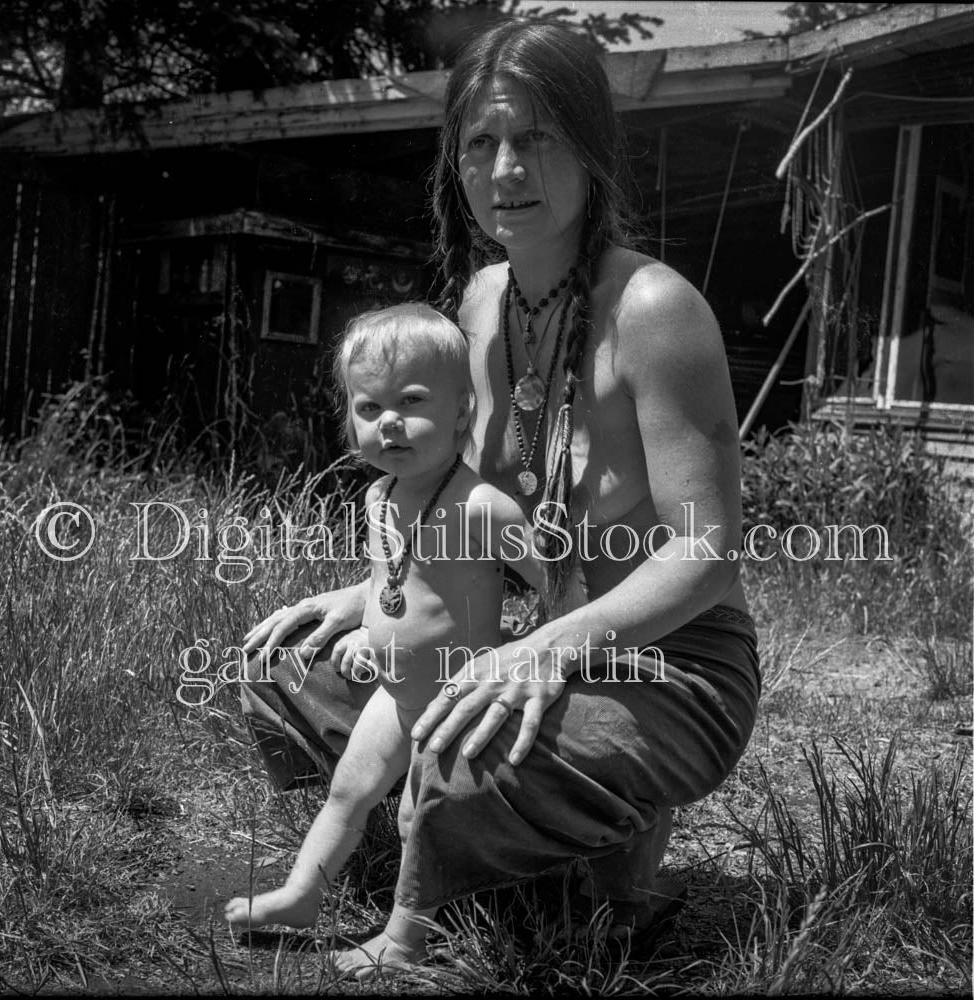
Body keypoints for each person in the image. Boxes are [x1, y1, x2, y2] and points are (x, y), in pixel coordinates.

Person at [238, 20, 759, 978]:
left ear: (591, 147)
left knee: (458, 761)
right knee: (282, 667)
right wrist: (368, 598)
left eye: (538, 137)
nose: (507, 166)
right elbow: (458, 500)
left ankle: (517, 848)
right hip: (520, 645)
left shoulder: (655, 310)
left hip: (672, 662)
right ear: (457, 163)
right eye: (481, 142)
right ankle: (521, 849)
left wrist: (547, 648)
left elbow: (705, 553)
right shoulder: (480, 303)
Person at [226, 303, 553, 946]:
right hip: (396, 695)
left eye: (411, 400)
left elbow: (558, 587)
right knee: (348, 793)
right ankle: (300, 895)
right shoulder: (379, 498)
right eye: (369, 408)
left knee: (415, 815)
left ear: (462, 412)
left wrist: (538, 652)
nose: (390, 423)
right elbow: (390, 586)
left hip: (457, 698)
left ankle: (407, 936)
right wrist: (365, 637)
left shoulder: (483, 507)